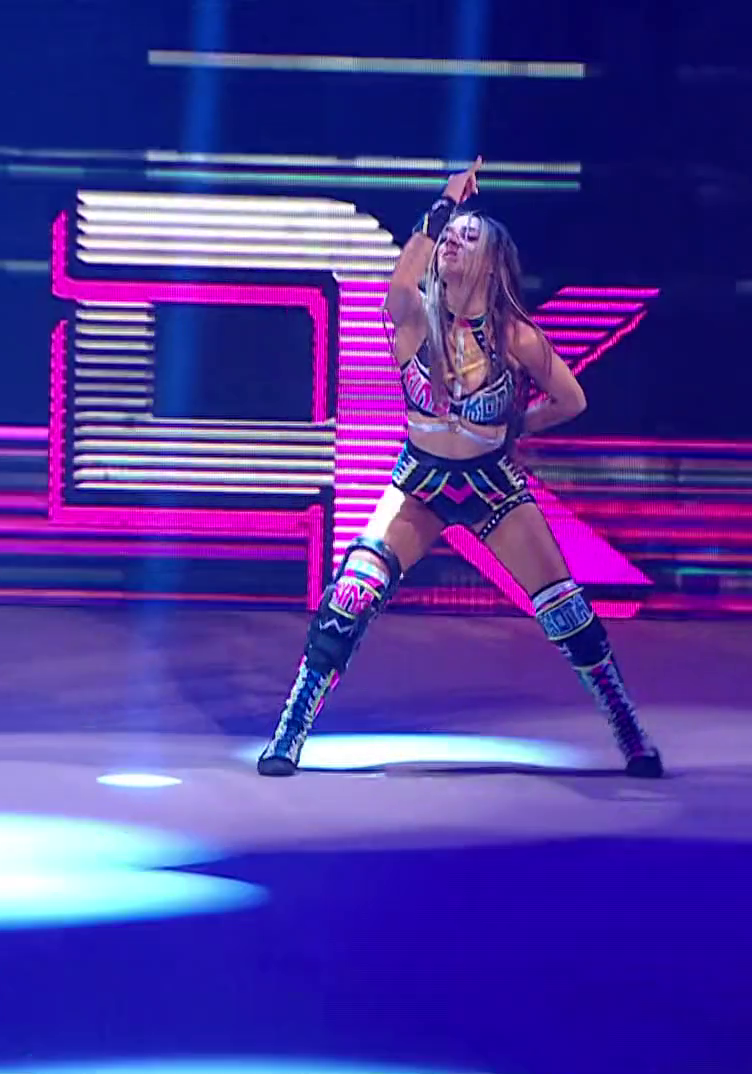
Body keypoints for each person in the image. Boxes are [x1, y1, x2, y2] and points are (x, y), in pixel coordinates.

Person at [257, 159, 663, 778]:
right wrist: (442, 207)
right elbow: (401, 284)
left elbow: (572, 399)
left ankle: (628, 730)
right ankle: (290, 731)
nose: (452, 243)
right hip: (419, 484)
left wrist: (516, 427)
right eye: (448, 236)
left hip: (492, 486)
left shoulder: (515, 337)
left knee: (569, 613)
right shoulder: (413, 319)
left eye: (467, 237)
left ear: (492, 264)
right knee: (350, 596)